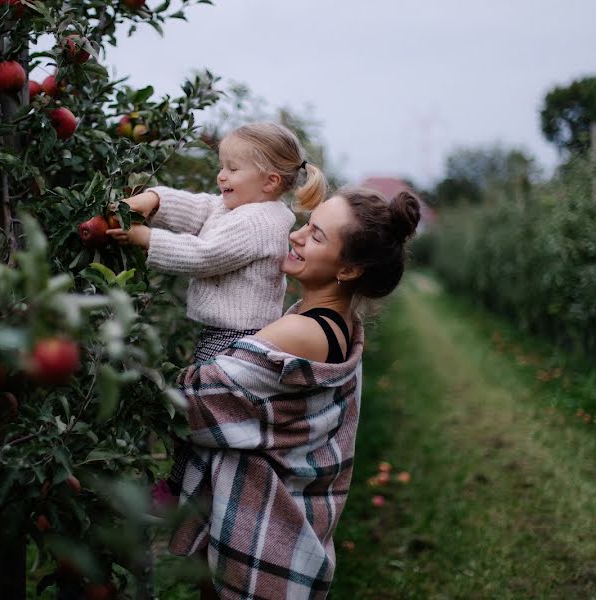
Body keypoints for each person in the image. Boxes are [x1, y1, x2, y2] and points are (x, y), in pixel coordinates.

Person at [168, 186, 422, 599]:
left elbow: (198, 399)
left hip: (261, 542)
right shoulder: (331, 322)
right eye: (307, 224)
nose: (296, 235)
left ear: (349, 270)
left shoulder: (300, 332)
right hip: (282, 538)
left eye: (317, 236)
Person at [107, 122, 327, 496]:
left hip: (234, 340)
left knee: (194, 410)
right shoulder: (243, 207)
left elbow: (204, 256)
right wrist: (153, 200)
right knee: (200, 411)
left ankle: (179, 491)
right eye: (222, 165)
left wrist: (145, 238)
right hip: (226, 335)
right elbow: (201, 208)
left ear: (270, 181)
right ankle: (192, 488)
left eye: (232, 168)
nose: (220, 175)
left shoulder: (260, 221)